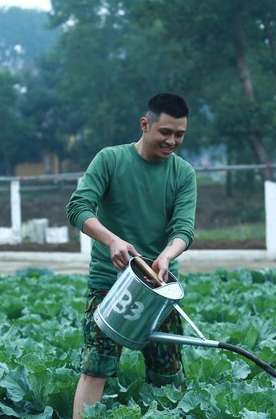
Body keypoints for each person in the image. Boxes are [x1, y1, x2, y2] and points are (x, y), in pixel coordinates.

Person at [66, 92, 197, 418]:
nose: (172, 141)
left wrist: (166, 256)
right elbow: (78, 207)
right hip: (109, 284)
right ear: (144, 124)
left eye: (179, 134)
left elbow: (183, 230)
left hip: (160, 286)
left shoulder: (183, 174)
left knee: (168, 373)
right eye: (165, 132)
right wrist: (112, 241)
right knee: (96, 365)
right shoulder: (110, 160)